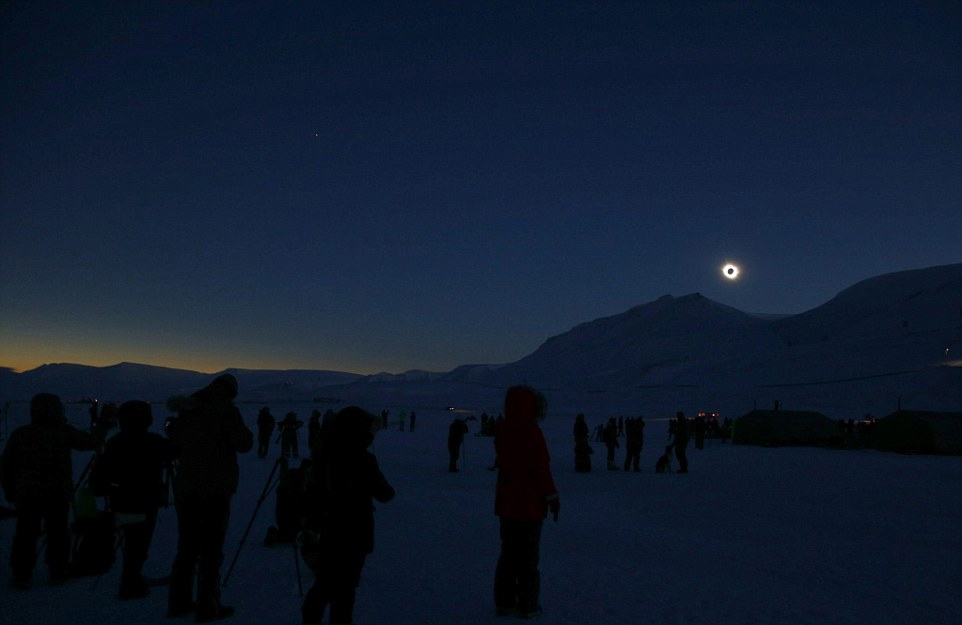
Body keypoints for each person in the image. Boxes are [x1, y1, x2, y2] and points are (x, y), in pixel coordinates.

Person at [166, 373, 253, 622]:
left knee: (187, 547)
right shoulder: (225, 410)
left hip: (187, 488)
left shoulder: (188, 408)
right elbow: (244, 443)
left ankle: (179, 602)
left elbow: (176, 441)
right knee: (212, 550)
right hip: (215, 488)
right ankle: (207, 606)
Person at [301, 406, 394, 625]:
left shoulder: (325, 454)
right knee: (344, 589)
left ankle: (309, 618)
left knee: (325, 583)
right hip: (353, 532)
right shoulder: (362, 459)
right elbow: (384, 493)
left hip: (327, 529)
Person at [1, 393, 100, 588]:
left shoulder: (21, 434)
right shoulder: (63, 431)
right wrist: (102, 428)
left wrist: (10, 491)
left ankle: (21, 574)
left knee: (26, 534)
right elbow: (89, 443)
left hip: (28, 493)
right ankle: (57, 570)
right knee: (58, 533)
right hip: (58, 493)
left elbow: (6, 465)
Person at [90, 400, 175, 599]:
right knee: (138, 544)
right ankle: (130, 583)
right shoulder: (154, 441)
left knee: (131, 541)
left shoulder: (115, 442)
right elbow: (175, 451)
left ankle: (131, 578)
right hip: (145, 503)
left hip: (120, 501)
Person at [493, 385, 559, 619]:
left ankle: (505, 602)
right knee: (528, 558)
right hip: (530, 507)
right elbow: (541, 469)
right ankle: (528, 604)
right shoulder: (532, 432)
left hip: (506, 505)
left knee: (508, 554)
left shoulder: (502, 430)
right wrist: (552, 497)